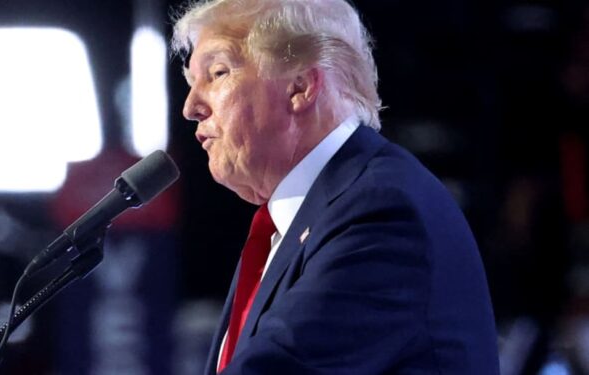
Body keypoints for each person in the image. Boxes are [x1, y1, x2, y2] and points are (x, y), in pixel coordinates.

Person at [172, 0, 500, 373]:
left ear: (300, 87)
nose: (191, 106)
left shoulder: (382, 211)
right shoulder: (298, 222)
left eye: (217, 73)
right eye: (190, 82)